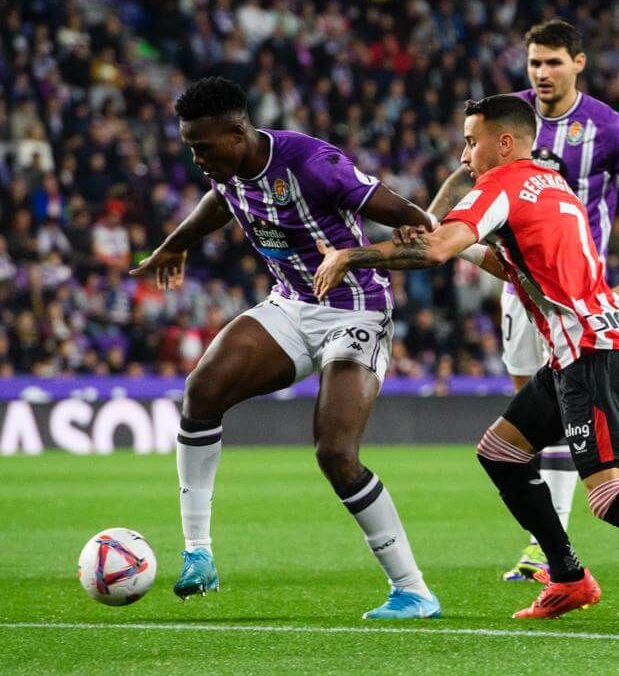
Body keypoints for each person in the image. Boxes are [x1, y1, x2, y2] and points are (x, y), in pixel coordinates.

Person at [312, 95, 619, 627]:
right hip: (585, 348)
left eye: (470, 141)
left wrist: (351, 254)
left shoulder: (499, 186)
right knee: (501, 452)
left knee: (608, 495)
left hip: (590, 354)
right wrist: (457, 245)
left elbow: (434, 251)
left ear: (504, 142)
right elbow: (513, 268)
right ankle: (568, 575)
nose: (464, 156)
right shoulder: (552, 185)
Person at [130, 76, 441, 619]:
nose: (198, 159)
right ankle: (198, 554)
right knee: (200, 392)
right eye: (190, 148)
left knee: (335, 453)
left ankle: (412, 590)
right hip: (292, 304)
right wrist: (172, 246)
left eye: (203, 147)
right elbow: (220, 201)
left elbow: (422, 228)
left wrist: (359, 253)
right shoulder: (228, 171)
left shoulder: (313, 164)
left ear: (237, 132)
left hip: (356, 308)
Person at [427, 19, 619, 580]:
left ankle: (548, 548)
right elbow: (465, 183)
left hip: (579, 290)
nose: (542, 73)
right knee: (529, 415)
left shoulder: (608, 127)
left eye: (553, 62)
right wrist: (428, 222)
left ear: (578, 63)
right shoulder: (506, 121)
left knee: (562, 403)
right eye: (535, 62)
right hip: (519, 280)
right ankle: (553, 547)